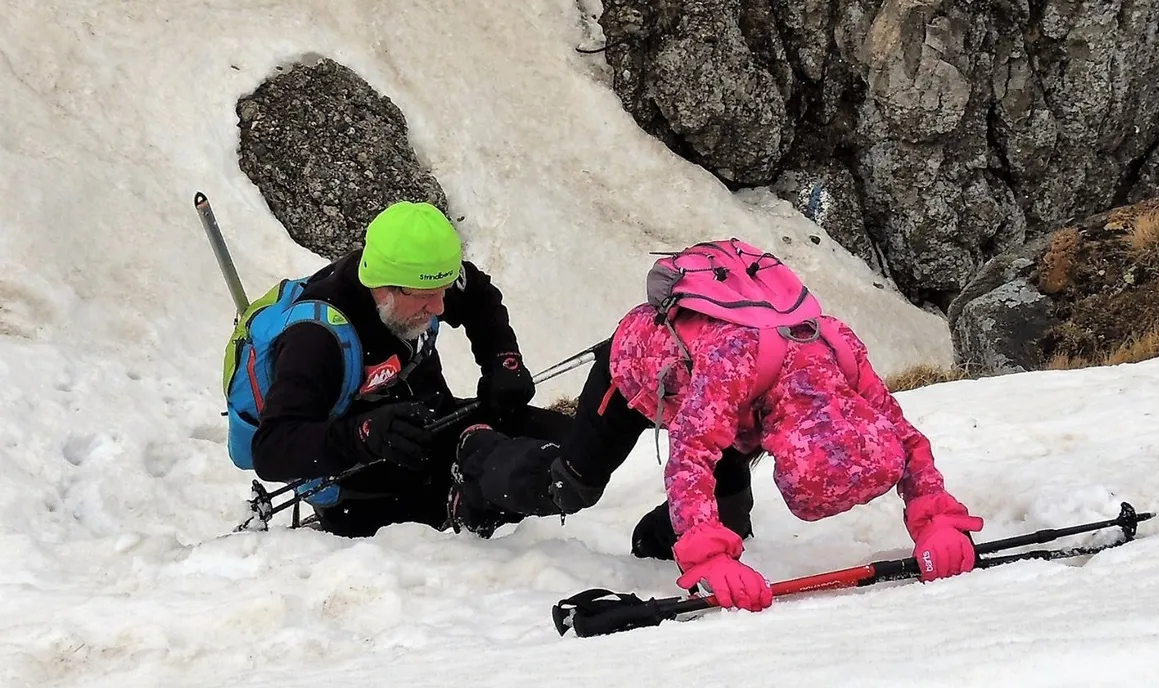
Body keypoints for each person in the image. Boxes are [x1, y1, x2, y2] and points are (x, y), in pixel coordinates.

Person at [450, 239, 984, 612]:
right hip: (635, 376)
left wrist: (933, 517)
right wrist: (707, 554)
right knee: (571, 487)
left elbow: (903, 435)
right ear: (779, 444)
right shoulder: (736, 364)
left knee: (728, 518)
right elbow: (691, 453)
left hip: (723, 399)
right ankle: (478, 451)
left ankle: (656, 540)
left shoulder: (837, 350)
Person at [250, 200, 571, 538]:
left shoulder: (422, 276)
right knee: (510, 481)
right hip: (366, 487)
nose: (439, 307)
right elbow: (271, 450)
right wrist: (363, 434)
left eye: (443, 291)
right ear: (385, 286)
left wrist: (503, 361)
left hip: (438, 427)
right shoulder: (315, 340)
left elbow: (479, 296)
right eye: (426, 296)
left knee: (571, 452)